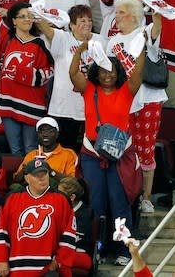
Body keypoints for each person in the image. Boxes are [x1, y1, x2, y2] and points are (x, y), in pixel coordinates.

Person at [69, 40, 145, 266]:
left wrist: (141, 49)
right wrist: (81, 51)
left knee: (119, 203)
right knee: (96, 203)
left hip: (120, 155)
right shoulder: (89, 89)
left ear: (118, 72)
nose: (108, 75)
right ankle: (97, 247)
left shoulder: (126, 90)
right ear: (96, 72)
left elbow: (139, 72)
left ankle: (123, 248)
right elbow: (73, 72)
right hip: (93, 154)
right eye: (103, 70)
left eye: (112, 70)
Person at [0, 0, 54, 156]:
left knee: (31, 150)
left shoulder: (42, 42)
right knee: (15, 150)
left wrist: (27, 75)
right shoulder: (5, 38)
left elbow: (50, 71)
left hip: (32, 105)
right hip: (7, 102)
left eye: (29, 16)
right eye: (22, 16)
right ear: (13, 20)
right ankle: (19, 185)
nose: (26, 19)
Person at [106, 0, 165, 214]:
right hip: (123, 101)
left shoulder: (144, 31)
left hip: (149, 98)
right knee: (123, 149)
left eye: (121, 12)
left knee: (146, 149)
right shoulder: (112, 42)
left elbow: (157, 27)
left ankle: (146, 198)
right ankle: (127, 192)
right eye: (117, 12)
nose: (117, 17)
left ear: (133, 14)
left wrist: (157, 11)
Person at [0, 158, 77, 276]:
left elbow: (69, 234)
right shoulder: (11, 199)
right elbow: (1, 231)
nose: (41, 178)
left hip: (49, 269)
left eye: (44, 174)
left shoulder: (62, 200)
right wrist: (1, 259)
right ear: (27, 178)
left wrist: (59, 261)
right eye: (37, 175)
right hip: (16, 266)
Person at [35, 4, 105, 150]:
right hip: (64, 107)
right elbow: (42, 25)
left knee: (91, 151)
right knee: (65, 150)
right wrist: (45, 12)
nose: (87, 23)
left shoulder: (101, 41)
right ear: (72, 25)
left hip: (93, 107)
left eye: (89, 20)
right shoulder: (62, 38)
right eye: (82, 20)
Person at [12, 117, 78, 181]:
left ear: (57, 134)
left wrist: (51, 172)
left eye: (49, 131)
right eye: (41, 131)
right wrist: (24, 171)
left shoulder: (68, 154)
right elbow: (16, 180)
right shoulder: (32, 155)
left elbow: (73, 181)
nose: (45, 134)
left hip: (56, 190)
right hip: (33, 190)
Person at [58, 176, 95, 273]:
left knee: (55, 260)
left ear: (72, 197)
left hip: (81, 254)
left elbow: (75, 239)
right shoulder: (58, 209)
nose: (57, 197)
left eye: (60, 194)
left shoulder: (86, 214)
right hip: (64, 252)